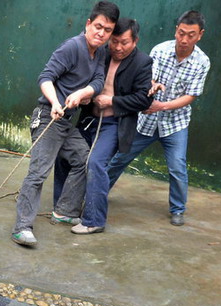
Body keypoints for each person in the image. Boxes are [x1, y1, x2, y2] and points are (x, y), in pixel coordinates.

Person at [10, 1, 119, 248]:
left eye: (108, 30)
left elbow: (99, 80)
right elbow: (45, 77)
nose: (101, 33)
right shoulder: (72, 47)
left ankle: (65, 210)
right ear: (88, 24)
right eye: (98, 27)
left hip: (69, 123)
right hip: (50, 116)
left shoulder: (101, 52)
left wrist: (83, 92)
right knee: (38, 174)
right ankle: (22, 227)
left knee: (84, 159)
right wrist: (56, 102)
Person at [105, 10, 210, 227]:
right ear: (176, 30)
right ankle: (98, 192)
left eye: (190, 35)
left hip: (175, 123)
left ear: (200, 35)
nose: (184, 39)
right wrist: (152, 86)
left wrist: (162, 106)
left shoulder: (202, 62)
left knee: (177, 167)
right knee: (119, 158)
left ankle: (178, 210)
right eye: (181, 33)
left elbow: (191, 96)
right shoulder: (160, 50)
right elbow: (147, 77)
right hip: (146, 120)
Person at [66, 18, 153, 234]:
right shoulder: (100, 53)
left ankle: (94, 220)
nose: (118, 47)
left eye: (124, 42)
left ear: (135, 41)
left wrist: (112, 101)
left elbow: (144, 100)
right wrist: (86, 95)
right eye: (114, 41)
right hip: (89, 119)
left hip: (114, 124)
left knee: (95, 163)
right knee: (66, 157)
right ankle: (66, 210)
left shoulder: (143, 62)